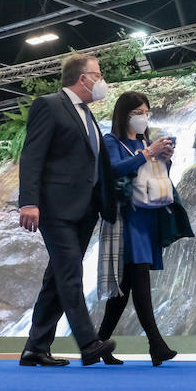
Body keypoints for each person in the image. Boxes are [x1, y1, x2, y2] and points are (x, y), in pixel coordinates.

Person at [17, 53, 118, 367]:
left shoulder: (87, 113)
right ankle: (88, 342)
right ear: (82, 77)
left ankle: (35, 347)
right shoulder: (48, 105)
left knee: (57, 277)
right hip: (56, 207)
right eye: (98, 74)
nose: (101, 81)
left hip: (85, 210)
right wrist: (29, 202)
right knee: (71, 273)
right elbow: (32, 156)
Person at [94, 92, 194, 366]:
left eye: (146, 112)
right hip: (127, 218)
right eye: (138, 112)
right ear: (124, 114)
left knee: (125, 286)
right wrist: (147, 153)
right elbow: (113, 169)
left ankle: (99, 342)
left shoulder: (146, 141)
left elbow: (157, 177)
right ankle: (156, 343)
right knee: (139, 278)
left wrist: (165, 158)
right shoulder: (111, 141)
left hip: (148, 215)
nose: (144, 117)